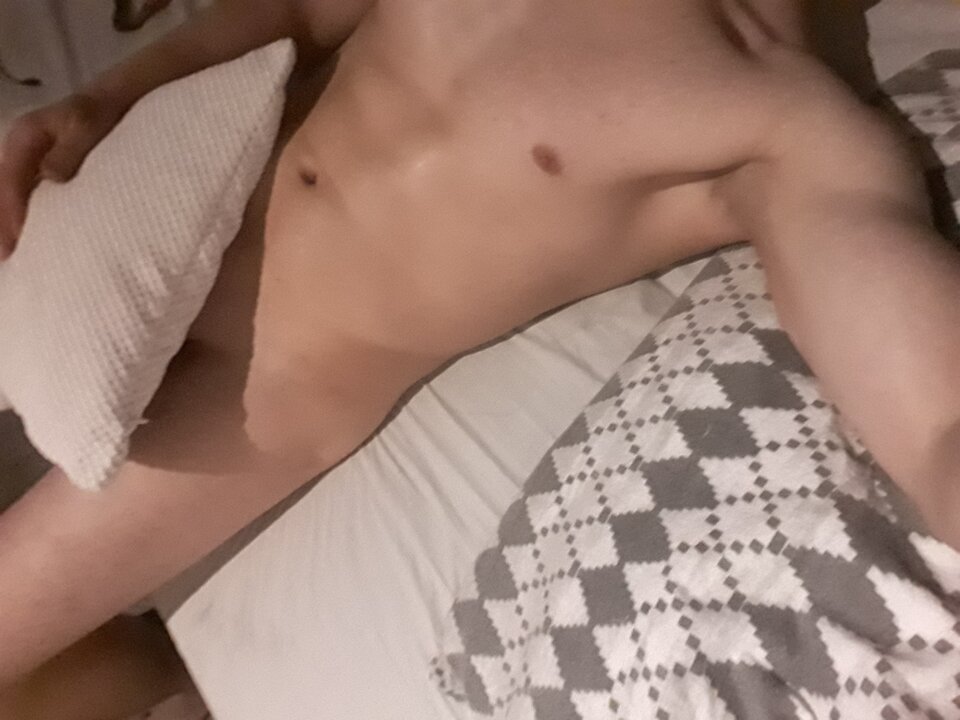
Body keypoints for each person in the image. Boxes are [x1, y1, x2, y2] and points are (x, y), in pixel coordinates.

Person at [0, 0, 958, 716]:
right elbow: (299, 9)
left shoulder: (779, 119)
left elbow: (931, 425)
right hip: (138, 219)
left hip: (257, 399)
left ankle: (143, 676)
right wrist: (109, 94)